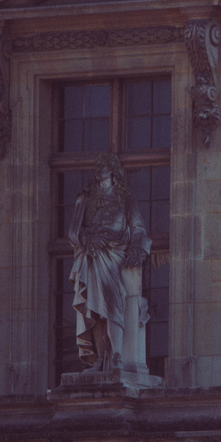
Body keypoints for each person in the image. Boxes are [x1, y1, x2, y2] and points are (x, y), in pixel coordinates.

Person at [67, 153, 152, 374]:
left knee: (113, 304)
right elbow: (74, 232)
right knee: (93, 308)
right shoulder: (85, 199)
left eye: (103, 165)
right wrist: (88, 239)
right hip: (93, 256)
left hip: (116, 258)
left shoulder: (126, 199)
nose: (99, 169)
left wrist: (135, 248)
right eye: (97, 165)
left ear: (112, 169)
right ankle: (100, 359)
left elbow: (139, 229)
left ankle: (116, 355)